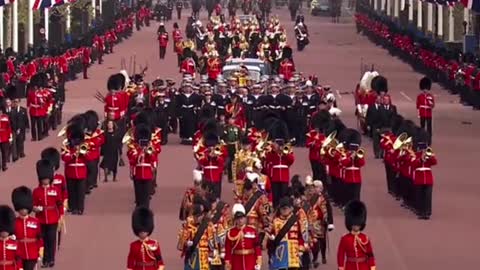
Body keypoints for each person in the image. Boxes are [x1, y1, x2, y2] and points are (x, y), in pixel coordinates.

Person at [33, 159, 62, 268]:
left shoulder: (55, 190)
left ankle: (51, 259)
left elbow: (59, 203)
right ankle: (45, 260)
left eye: (47, 178)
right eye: (43, 179)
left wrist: (60, 215)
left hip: (53, 217)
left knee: (51, 240)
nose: (45, 180)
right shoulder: (36, 191)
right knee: (43, 240)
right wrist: (35, 209)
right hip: (41, 218)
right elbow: (33, 205)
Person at [61, 122, 95, 215]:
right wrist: (73, 155)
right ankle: (72, 207)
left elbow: (90, 157)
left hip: (81, 172)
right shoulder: (66, 146)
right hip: (70, 172)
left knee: (80, 192)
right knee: (71, 191)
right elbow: (64, 157)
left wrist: (83, 154)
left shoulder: (85, 145)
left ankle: (80, 208)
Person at [267, 197, 305, 270]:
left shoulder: (296, 221)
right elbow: (269, 240)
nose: (284, 210)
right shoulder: (275, 222)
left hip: (294, 255)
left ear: (291, 209)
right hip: (280, 255)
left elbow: (300, 237)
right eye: (282, 208)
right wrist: (271, 239)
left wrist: (300, 250)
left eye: (286, 208)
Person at [337, 200, 376, 270]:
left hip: (364, 267)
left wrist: (372, 266)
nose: (356, 227)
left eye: (358, 225)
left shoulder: (365, 238)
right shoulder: (345, 238)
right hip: (350, 267)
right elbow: (340, 254)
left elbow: (370, 254)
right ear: (350, 224)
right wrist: (341, 267)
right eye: (354, 225)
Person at [127, 124, 159, 208]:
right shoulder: (134, 146)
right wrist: (138, 151)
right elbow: (131, 159)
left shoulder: (150, 146)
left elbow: (153, 158)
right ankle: (139, 207)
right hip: (137, 173)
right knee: (138, 193)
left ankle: (145, 207)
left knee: (146, 193)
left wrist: (149, 151)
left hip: (147, 173)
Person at [12, 186, 43, 270]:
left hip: (32, 253)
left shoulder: (35, 221)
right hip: (19, 253)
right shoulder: (14, 222)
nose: (23, 210)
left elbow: (39, 237)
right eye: (21, 209)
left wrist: (40, 248)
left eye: (25, 208)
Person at [224, 204, 262, 270]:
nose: (240, 220)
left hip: (250, 262)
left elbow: (257, 246)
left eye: (242, 218)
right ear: (235, 219)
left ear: (245, 218)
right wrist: (228, 263)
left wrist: (258, 261)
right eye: (238, 218)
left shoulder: (252, 230)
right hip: (236, 263)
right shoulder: (231, 232)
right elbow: (228, 250)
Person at [411, 129, 437, 220]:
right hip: (419, 178)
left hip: (428, 178)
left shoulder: (428, 153)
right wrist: (421, 159)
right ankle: (421, 212)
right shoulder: (415, 154)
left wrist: (429, 157)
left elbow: (434, 162)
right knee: (420, 196)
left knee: (428, 196)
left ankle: (427, 212)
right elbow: (413, 164)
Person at [0, 205, 22, 269]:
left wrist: (20, 267)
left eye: (6, 231)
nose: (4, 233)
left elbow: (18, 257)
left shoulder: (14, 243)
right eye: (2, 231)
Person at [416, 77, 434, 145]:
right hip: (422, 113)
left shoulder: (430, 96)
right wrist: (418, 113)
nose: (425, 90)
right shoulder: (420, 96)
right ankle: (422, 140)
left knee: (429, 128)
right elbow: (418, 105)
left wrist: (430, 102)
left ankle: (429, 141)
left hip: (429, 114)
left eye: (426, 89)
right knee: (422, 128)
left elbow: (432, 106)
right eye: (424, 89)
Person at [0, 105, 12, 171]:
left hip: (4, 138)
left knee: (4, 152)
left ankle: (4, 166)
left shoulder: (5, 118)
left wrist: (10, 137)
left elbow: (8, 128)